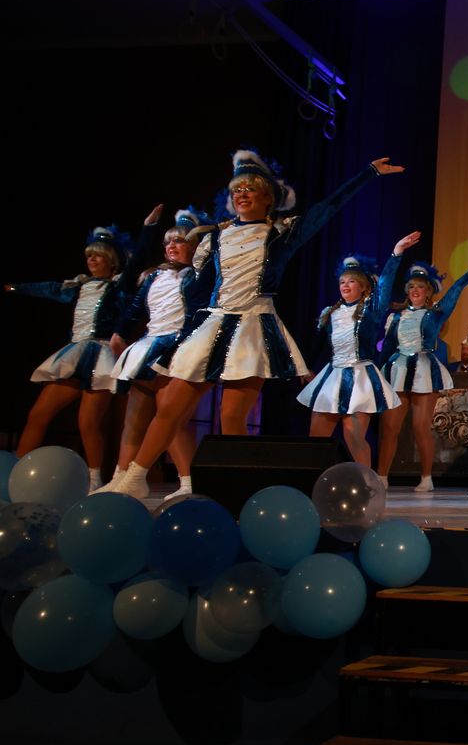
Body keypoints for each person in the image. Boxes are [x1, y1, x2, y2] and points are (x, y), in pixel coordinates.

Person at [107, 150, 406, 500]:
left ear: (268, 197)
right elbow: (198, 292)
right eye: (237, 189)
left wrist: (368, 173)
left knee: (232, 417)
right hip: (212, 325)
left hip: (253, 330)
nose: (242, 194)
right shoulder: (215, 238)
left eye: (251, 188)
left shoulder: (281, 234)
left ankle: (238, 491)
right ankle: (136, 476)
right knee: (171, 406)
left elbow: (326, 209)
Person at [6, 223, 134, 489]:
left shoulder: (118, 288)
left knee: (88, 423)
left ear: (111, 260)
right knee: (38, 414)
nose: (91, 260)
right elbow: (48, 288)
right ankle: (14, 473)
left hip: (101, 357)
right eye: (89, 255)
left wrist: (149, 228)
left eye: (98, 256)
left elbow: (139, 263)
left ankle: (94, 480)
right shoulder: (77, 287)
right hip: (75, 354)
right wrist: (14, 288)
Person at [103, 205, 211, 498]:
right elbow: (135, 307)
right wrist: (120, 333)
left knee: (169, 417)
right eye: (167, 242)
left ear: (195, 246)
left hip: (177, 348)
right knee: (134, 419)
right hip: (148, 345)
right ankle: (121, 478)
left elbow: (198, 315)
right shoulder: (154, 277)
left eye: (179, 240)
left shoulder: (199, 276)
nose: (172, 246)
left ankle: (188, 482)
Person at [376, 254, 468, 490]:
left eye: (420, 287)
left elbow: (455, 290)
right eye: (412, 286)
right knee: (389, 428)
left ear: (428, 292)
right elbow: (388, 348)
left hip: (424, 370)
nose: (415, 290)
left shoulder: (436, 313)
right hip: (398, 370)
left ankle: (426, 478)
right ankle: (381, 476)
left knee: (420, 427)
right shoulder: (396, 317)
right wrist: (378, 375)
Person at [298, 238, 416, 467]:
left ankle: (366, 482)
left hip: (360, 377)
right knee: (316, 439)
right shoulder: (329, 313)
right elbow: (318, 345)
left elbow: (385, 284)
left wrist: (396, 253)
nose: (345, 285)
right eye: (342, 281)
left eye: (351, 281)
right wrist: (306, 367)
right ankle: (314, 482)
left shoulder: (371, 310)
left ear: (363, 287)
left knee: (353, 436)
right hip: (333, 377)